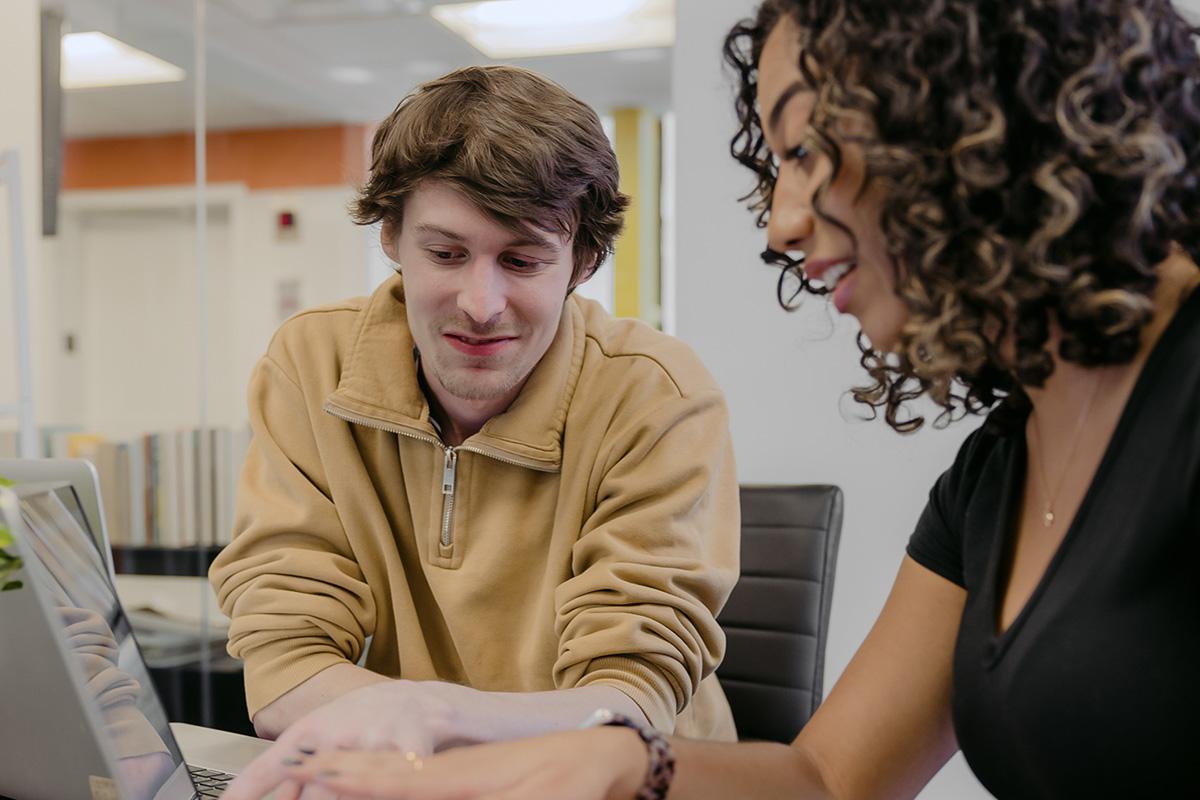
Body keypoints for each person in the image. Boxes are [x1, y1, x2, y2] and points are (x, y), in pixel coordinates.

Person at [270, 0, 1200, 797]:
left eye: (810, 151)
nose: (785, 220)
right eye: (779, 163)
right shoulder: (1002, 468)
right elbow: (828, 779)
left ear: (975, 123)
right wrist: (614, 764)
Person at [212, 65, 741, 798]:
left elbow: (627, 705)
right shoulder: (311, 365)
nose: (480, 303)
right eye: (446, 253)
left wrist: (416, 715)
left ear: (583, 261)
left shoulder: (659, 396)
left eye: (521, 260)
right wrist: (408, 734)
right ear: (392, 237)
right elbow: (282, 660)